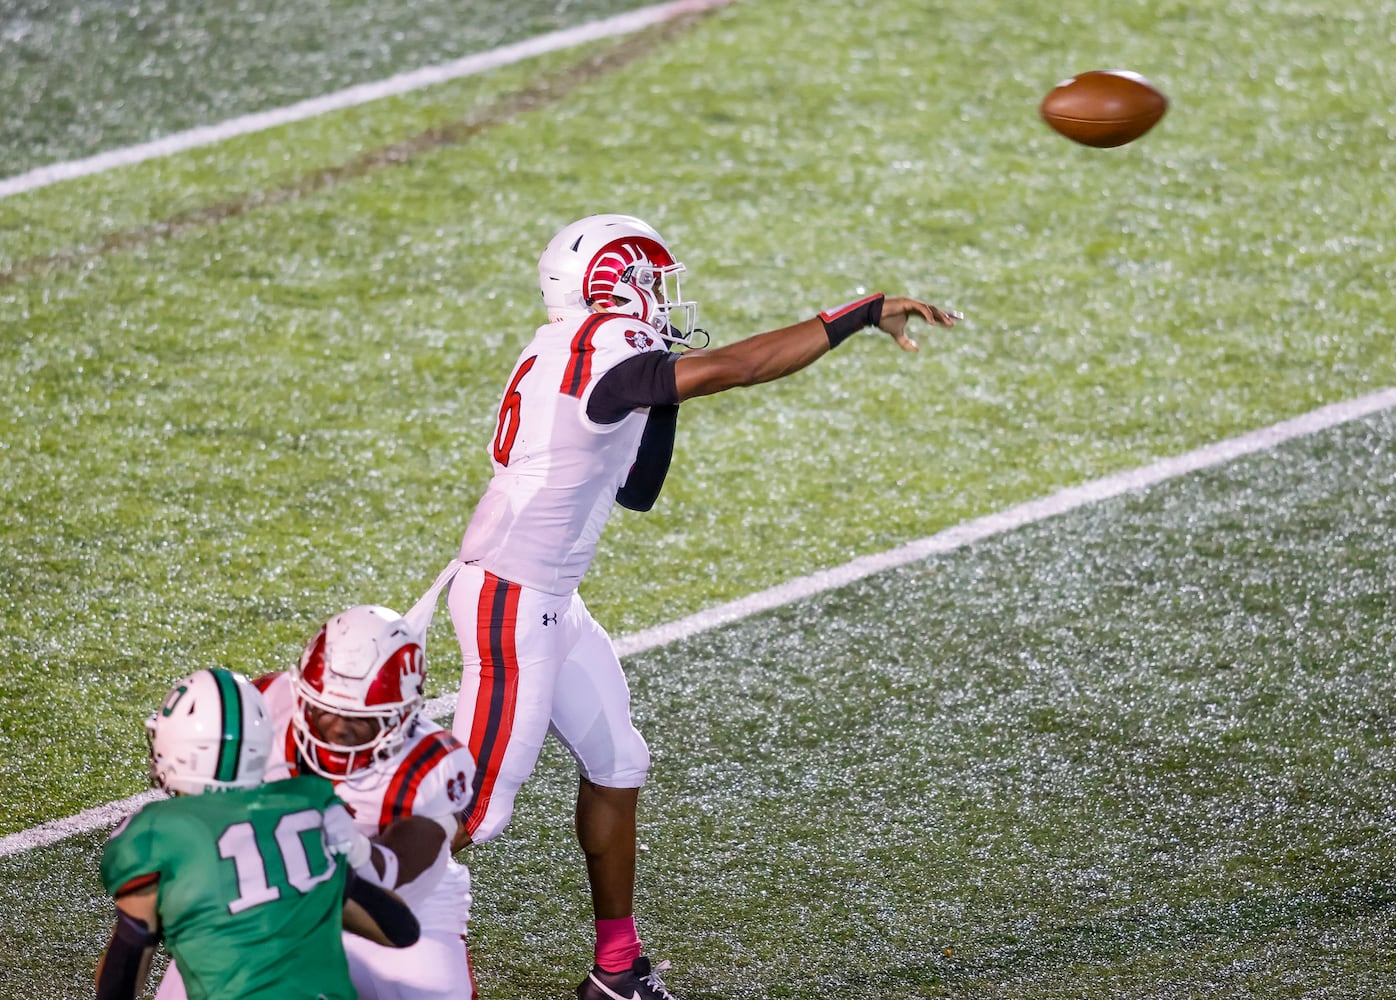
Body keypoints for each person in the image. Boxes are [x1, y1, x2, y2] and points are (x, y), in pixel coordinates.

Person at [436, 213, 960, 999]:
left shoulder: (572, 348)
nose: (660, 297)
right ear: (608, 286)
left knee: (618, 760)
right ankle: (308, 915)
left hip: (547, 598)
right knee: (470, 812)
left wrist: (668, 384)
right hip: (512, 603)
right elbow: (742, 367)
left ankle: (617, 971)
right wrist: (857, 312)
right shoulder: (598, 351)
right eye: (647, 281)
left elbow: (638, 490)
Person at [153, 605, 478, 1000]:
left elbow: (399, 871)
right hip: (275, 886)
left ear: (404, 715)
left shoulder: (432, 765)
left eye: (360, 718)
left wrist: (351, 847)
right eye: (324, 709)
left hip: (403, 905)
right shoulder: (265, 704)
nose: (337, 728)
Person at [96, 668, 419, 1000]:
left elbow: (125, 968)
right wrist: (344, 865)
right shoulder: (304, 809)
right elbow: (402, 931)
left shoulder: (157, 832)